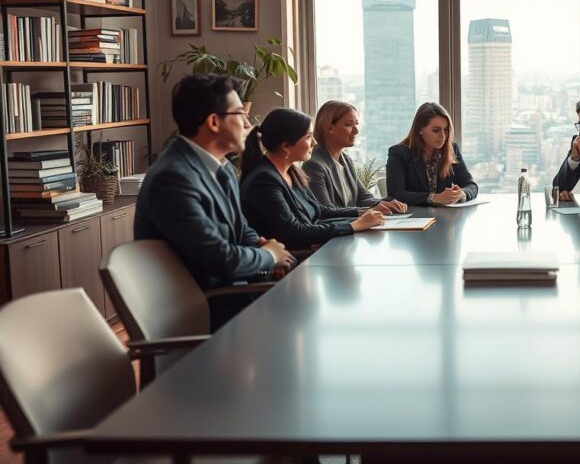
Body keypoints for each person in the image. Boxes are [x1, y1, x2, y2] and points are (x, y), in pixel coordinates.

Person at [135, 75, 295, 330]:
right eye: (240, 113)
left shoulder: (222, 168)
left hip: (235, 298)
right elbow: (221, 260)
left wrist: (262, 244)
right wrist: (267, 256)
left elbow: (240, 229)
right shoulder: (173, 178)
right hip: (203, 314)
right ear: (213, 122)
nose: (247, 123)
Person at [239, 108, 383, 251]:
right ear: (286, 146)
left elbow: (320, 210)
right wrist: (354, 226)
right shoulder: (264, 182)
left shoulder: (292, 172)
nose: (314, 142)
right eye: (308, 137)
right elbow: (295, 232)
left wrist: (360, 213)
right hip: (291, 261)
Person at [304, 100, 408, 214]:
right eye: (349, 124)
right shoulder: (314, 165)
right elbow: (325, 211)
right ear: (329, 128)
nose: (356, 131)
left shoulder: (346, 160)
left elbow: (362, 196)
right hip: (339, 229)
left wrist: (385, 204)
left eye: (356, 123)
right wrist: (365, 212)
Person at [386, 102, 479, 205]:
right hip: (413, 218)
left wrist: (462, 193)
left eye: (446, 130)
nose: (443, 136)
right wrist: (433, 198)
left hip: (444, 217)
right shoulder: (399, 153)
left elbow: (471, 185)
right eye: (436, 130)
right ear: (420, 130)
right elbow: (395, 194)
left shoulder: (452, 149)